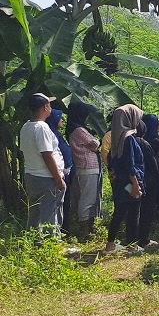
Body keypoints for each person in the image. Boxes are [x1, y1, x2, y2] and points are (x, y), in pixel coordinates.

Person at [20, 93, 66, 237]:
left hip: (32, 175)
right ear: (45, 107)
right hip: (46, 177)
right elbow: (47, 154)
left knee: (34, 212)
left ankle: (34, 242)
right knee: (50, 212)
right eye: (49, 105)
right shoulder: (42, 128)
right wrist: (58, 179)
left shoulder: (26, 127)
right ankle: (51, 244)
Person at [105, 104, 145, 253]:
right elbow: (131, 163)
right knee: (133, 213)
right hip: (130, 181)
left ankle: (110, 244)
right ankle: (133, 245)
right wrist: (135, 184)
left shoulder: (116, 137)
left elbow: (111, 159)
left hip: (120, 181)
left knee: (120, 212)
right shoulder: (129, 139)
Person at [65, 100, 101, 240]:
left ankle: (89, 226)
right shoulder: (79, 130)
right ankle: (85, 230)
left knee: (90, 198)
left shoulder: (74, 128)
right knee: (87, 200)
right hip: (87, 167)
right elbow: (95, 144)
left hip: (86, 168)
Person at [134, 120, 159, 249]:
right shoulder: (143, 143)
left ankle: (133, 238)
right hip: (148, 181)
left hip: (134, 180)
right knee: (147, 210)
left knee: (134, 210)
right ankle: (143, 239)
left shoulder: (128, 141)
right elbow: (153, 164)